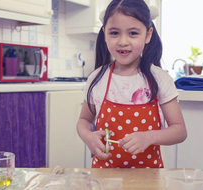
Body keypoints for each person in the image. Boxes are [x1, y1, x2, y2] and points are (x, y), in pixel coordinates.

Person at [77, 0, 187, 169]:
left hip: (149, 178)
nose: (123, 41)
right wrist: (87, 136)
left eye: (133, 33)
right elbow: (84, 120)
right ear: (105, 33)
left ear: (148, 35)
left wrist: (149, 137)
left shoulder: (160, 79)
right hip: (104, 177)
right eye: (114, 33)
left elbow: (179, 131)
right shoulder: (97, 79)